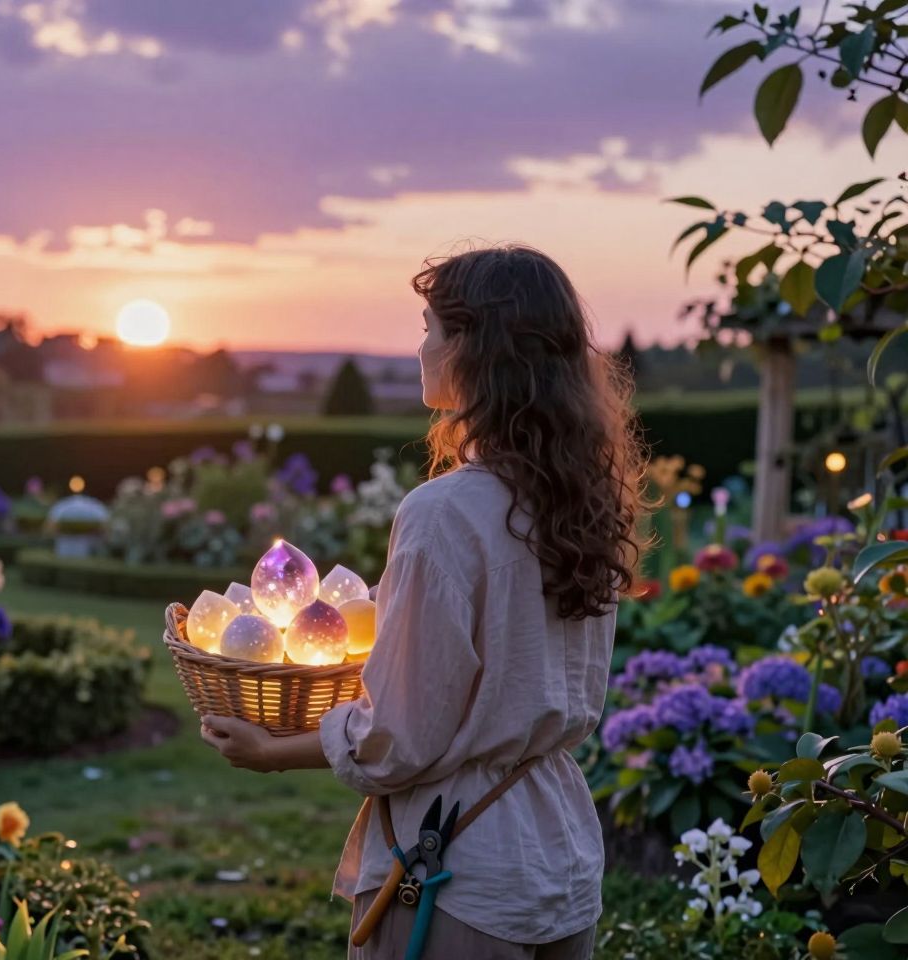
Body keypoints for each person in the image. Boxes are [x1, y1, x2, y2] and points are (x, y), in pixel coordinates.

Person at [200, 242, 651, 959]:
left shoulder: (444, 512)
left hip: (458, 867)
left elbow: (399, 738)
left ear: (474, 349)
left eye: (429, 329)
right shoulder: (582, 501)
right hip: (559, 853)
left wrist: (273, 752)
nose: (420, 349)